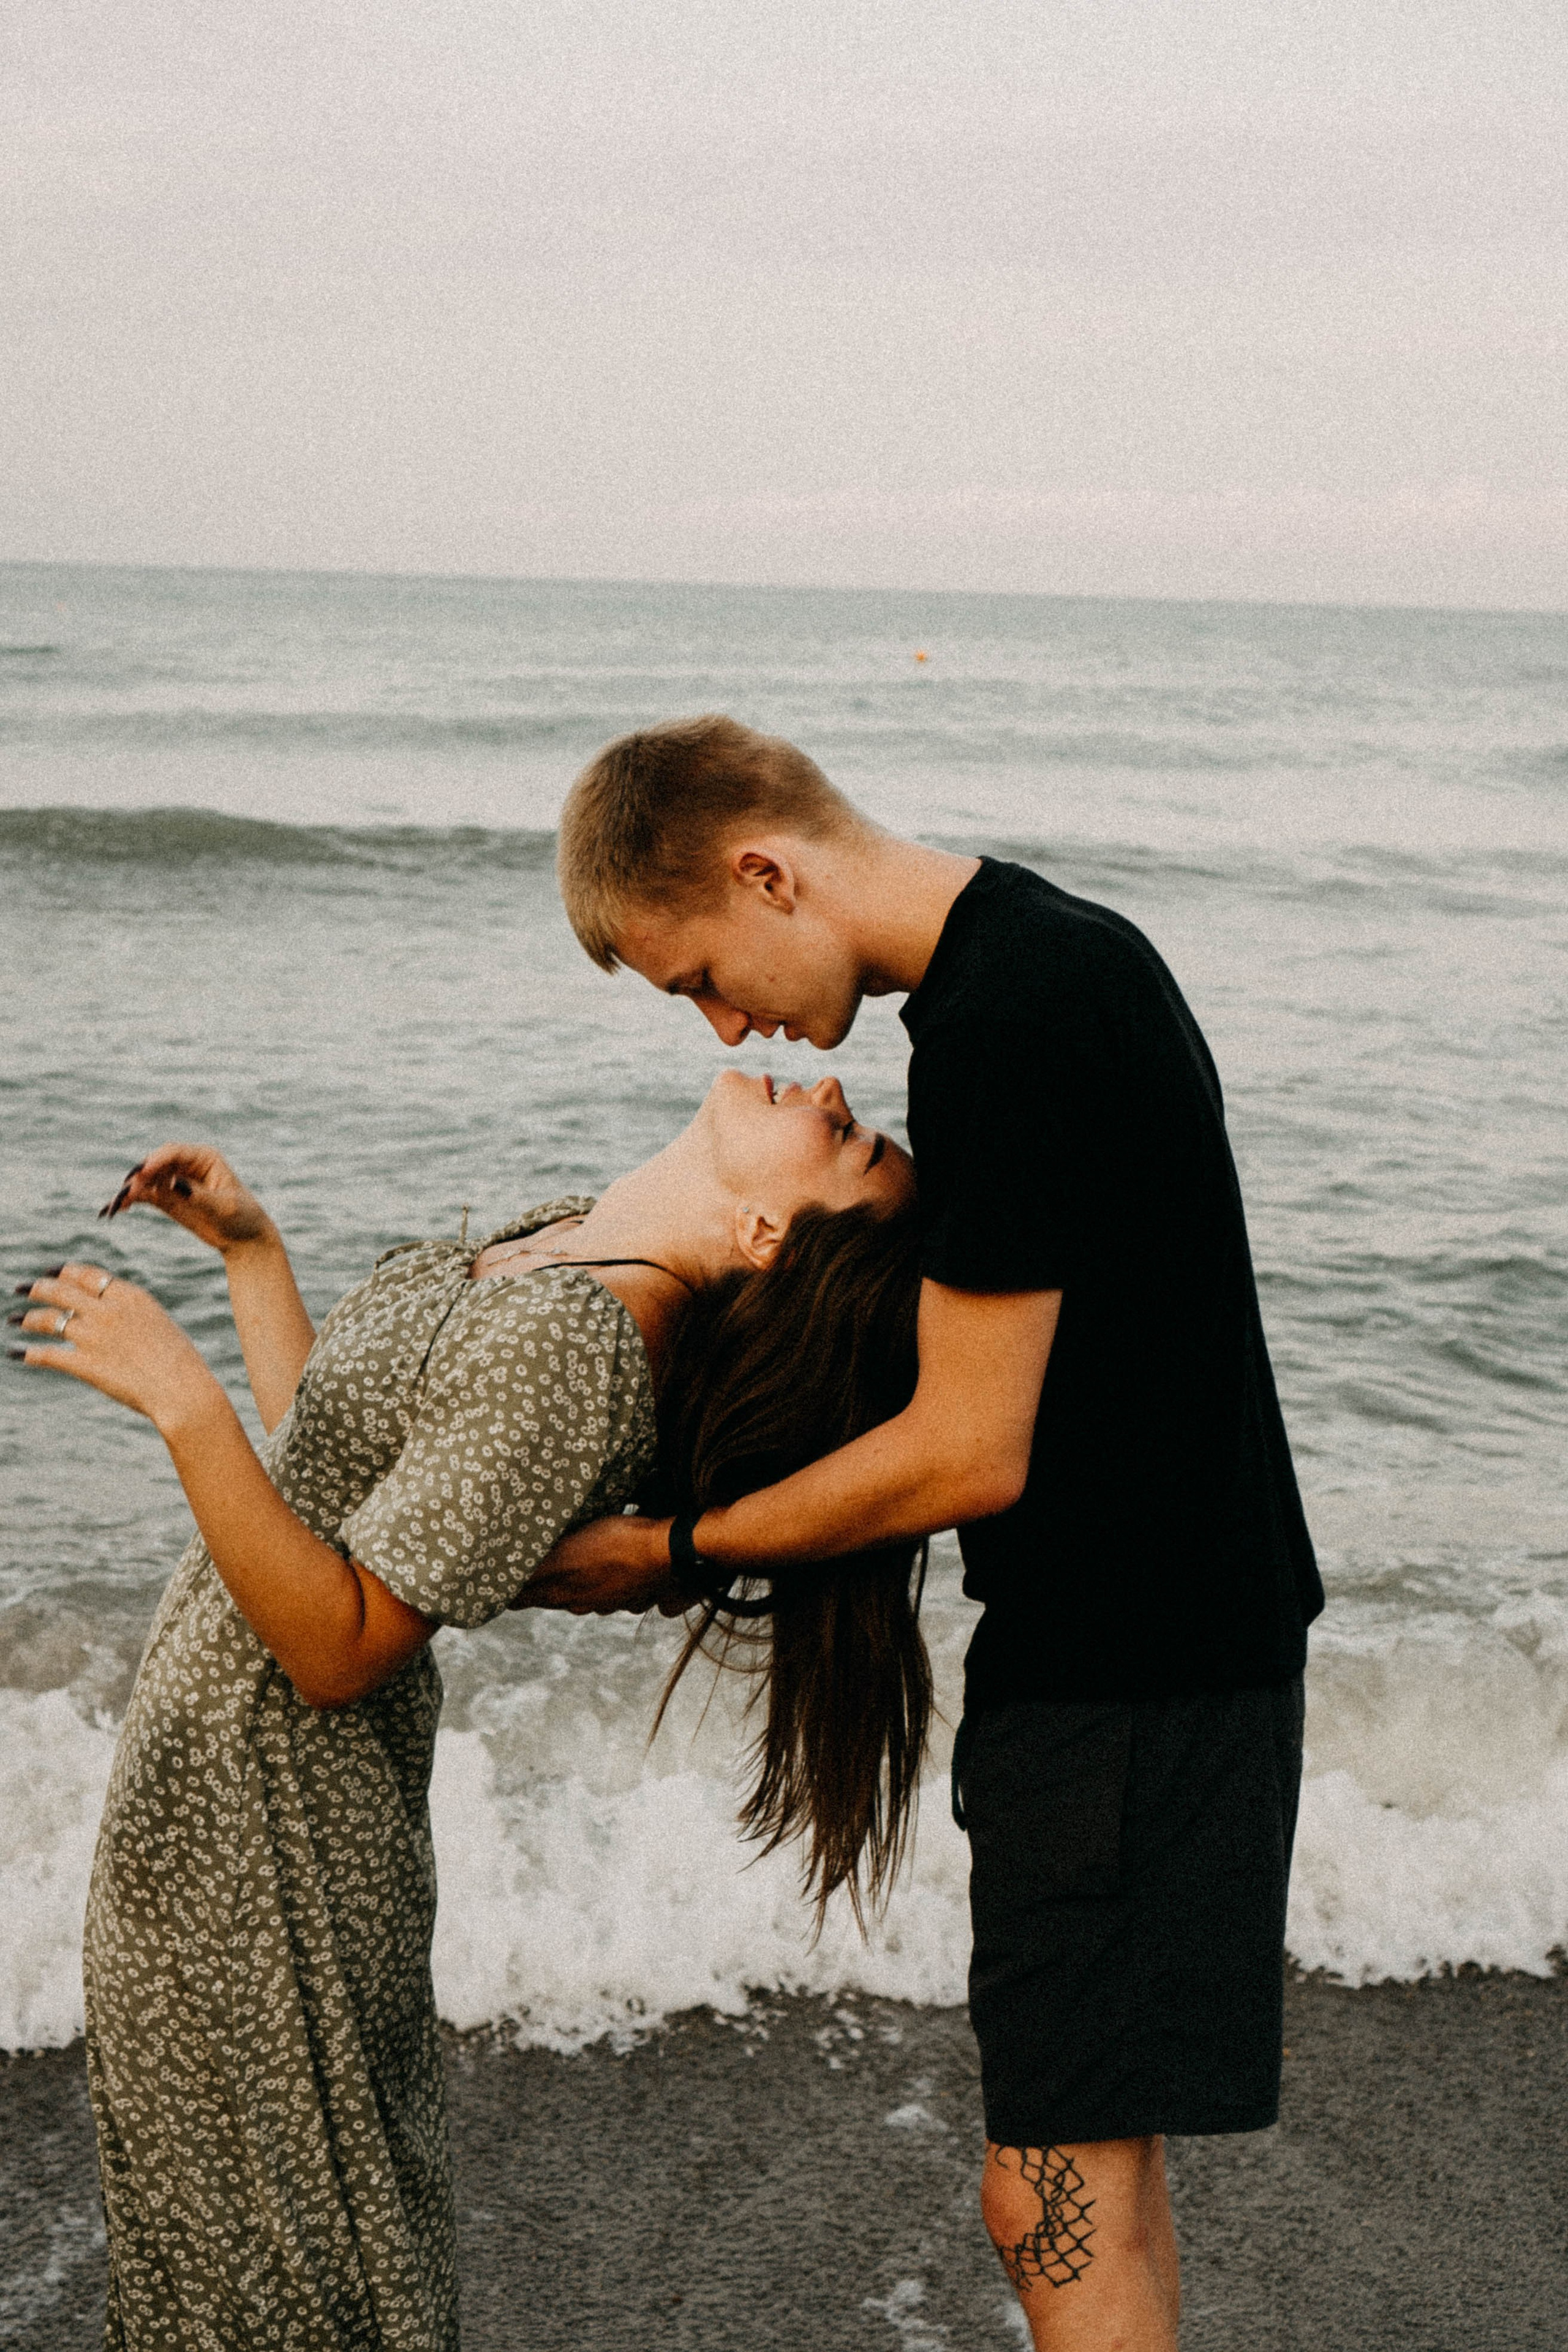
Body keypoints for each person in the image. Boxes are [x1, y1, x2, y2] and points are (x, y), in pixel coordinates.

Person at [527, 713, 1326, 2352]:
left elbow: (969, 1451)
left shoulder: (1008, 1027)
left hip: (1129, 1676)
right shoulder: (1046, 957)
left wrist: (672, 1548)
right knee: (1095, 2161)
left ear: (765, 870)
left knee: (1049, 2187)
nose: (723, 1022)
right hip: (1170, 1649)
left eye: (699, 976)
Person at [9, 1065, 920, 2351]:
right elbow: (345, 1465)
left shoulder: (581, 1341)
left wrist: (181, 1401)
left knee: (276, 2270)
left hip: (276, 1831)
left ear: (765, 1235)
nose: (823, 1085)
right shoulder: (565, 1242)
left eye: (843, 1134)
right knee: (216, 2243)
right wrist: (254, 1255)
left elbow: (343, 1643)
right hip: (212, 1790)